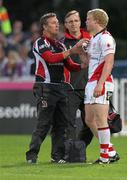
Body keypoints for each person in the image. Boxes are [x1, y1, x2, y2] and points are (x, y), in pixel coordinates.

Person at [25, 12, 87, 164]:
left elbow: (69, 65)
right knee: (43, 123)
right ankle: (31, 156)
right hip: (45, 86)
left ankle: (56, 156)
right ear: (44, 26)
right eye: (53, 23)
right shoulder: (40, 42)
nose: (57, 24)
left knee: (61, 124)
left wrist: (83, 65)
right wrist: (72, 51)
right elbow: (50, 58)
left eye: (57, 22)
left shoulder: (60, 45)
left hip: (60, 87)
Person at [51, 10, 93, 162]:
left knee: (91, 123)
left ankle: (77, 150)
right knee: (68, 124)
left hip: (90, 88)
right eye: (70, 22)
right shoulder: (61, 43)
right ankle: (66, 155)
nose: (73, 24)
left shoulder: (92, 38)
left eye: (76, 20)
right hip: (69, 89)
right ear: (66, 25)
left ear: (80, 22)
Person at [84, 9, 120, 164]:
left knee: (100, 119)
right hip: (91, 82)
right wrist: (83, 49)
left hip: (101, 82)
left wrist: (100, 84)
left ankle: (104, 157)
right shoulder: (94, 39)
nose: (86, 21)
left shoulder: (106, 38)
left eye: (88, 18)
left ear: (96, 21)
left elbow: (109, 62)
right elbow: (89, 62)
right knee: (89, 119)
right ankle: (110, 150)